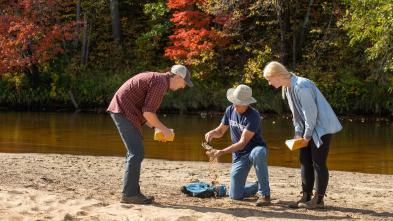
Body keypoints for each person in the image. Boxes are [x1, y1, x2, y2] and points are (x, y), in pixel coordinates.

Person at [107, 64, 193, 204]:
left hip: (125, 110)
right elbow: (148, 113)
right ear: (177, 77)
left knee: (135, 152)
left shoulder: (159, 80)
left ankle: (132, 192)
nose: (183, 87)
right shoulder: (160, 83)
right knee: (136, 153)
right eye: (184, 83)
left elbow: (145, 112)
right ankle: (129, 194)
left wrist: (156, 129)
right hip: (123, 111)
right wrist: (164, 129)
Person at [262, 61, 342, 209]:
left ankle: (318, 200)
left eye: (269, 79)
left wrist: (307, 136)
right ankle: (306, 196)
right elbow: (297, 115)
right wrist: (298, 134)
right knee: (304, 160)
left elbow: (310, 114)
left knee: (318, 162)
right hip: (308, 129)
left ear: (277, 75)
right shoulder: (287, 88)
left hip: (321, 128)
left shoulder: (302, 86)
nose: (269, 82)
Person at [204, 84, 271, 206]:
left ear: (247, 104)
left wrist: (222, 151)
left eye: (238, 103)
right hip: (239, 155)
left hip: (254, 149)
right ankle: (255, 186)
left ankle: (265, 195)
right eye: (234, 101)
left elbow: (242, 143)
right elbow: (220, 131)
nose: (234, 105)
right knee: (235, 196)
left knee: (259, 153)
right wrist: (212, 133)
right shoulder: (230, 110)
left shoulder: (254, 116)